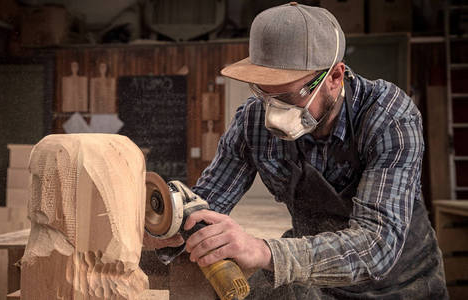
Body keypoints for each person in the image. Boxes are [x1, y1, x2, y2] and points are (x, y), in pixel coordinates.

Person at [146, 3, 447, 299]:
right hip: (311, 279)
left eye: (289, 95)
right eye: (263, 91)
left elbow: (376, 247)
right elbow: (207, 207)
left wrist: (263, 250)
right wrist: (170, 226)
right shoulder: (253, 122)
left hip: (400, 284)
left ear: (334, 77)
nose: (274, 110)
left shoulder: (389, 118)